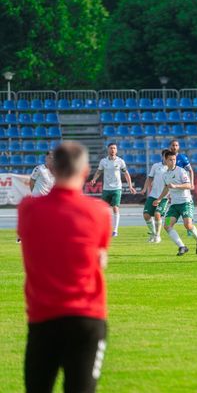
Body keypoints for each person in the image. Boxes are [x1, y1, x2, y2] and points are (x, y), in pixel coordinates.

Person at [18, 141, 111, 393]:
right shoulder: (100, 212)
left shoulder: (28, 209)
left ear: (52, 169)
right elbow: (100, 258)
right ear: (85, 171)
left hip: (43, 317)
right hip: (87, 316)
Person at [153, 150, 197, 256]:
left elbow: (189, 185)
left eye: (174, 160)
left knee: (188, 225)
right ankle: (182, 246)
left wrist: (176, 186)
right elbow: (167, 188)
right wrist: (159, 199)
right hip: (174, 205)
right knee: (167, 225)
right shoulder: (165, 174)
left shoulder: (181, 171)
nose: (173, 162)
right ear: (166, 160)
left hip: (186, 202)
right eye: (170, 160)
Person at [90, 142, 136, 237]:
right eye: (111, 148)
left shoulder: (120, 161)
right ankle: (103, 228)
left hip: (117, 188)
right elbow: (99, 171)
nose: (113, 150)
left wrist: (130, 186)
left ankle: (115, 230)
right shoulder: (103, 161)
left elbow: (126, 174)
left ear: (116, 150)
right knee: (103, 209)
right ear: (108, 149)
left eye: (114, 148)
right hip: (106, 189)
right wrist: (94, 179)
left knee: (115, 207)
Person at [16, 151, 56, 243]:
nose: (51, 159)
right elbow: (32, 181)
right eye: (49, 157)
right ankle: (20, 236)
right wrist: (34, 193)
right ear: (46, 158)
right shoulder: (39, 169)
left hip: (48, 199)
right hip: (37, 198)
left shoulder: (56, 170)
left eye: (53, 157)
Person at [141, 149, 169, 243]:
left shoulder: (172, 169)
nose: (166, 158)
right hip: (153, 195)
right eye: (165, 156)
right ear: (162, 156)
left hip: (164, 197)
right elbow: (150, 178)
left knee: (157, 214)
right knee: (146, 215)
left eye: (168, 156)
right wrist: (145, 188)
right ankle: (153, 233)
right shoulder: (156, 166)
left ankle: (157, 235)